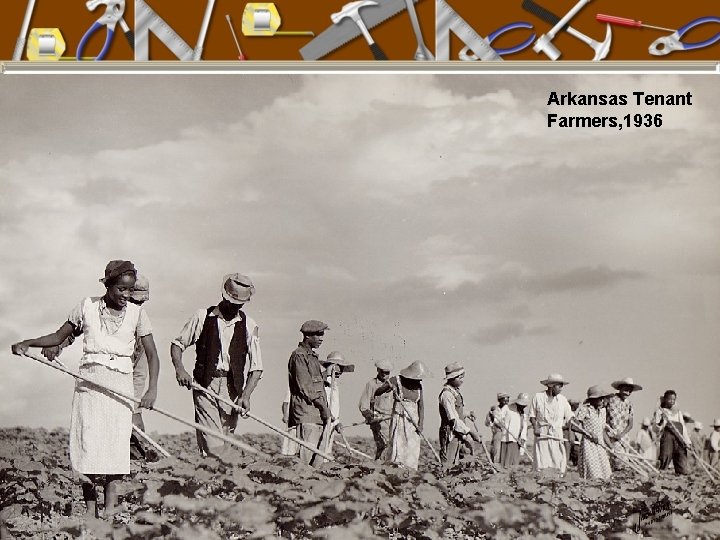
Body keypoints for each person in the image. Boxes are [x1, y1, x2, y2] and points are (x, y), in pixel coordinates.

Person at [11, 260, 160, 518]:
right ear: (108, 285)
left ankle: (110, 509)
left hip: (120, 385)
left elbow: (153, 355)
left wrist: (151, 391)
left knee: (115, 447)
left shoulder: (137, 314)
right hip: (90, 384)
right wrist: (28, 342)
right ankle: (90, 510)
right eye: (121, 289)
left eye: (130, 290)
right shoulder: (87, 306)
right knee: (87, 444)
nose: (126, 295)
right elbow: (59, 336)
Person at [171, 273, 262, 458]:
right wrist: (180, 369)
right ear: (224, 296)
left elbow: (256, 367)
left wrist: (246, 395)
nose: (235, 307)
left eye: (240, 304)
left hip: (232, 388)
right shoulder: (202, 316)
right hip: (205, 384)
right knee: (213, 442)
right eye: (232, 302)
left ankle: (216, 484)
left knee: (226, 442)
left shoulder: (249, 325)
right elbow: (177, 345)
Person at [288, 320, 331, 466]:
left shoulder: (312, 357)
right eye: (318, 335)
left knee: (317, 462)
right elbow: (306, 387)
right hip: (307, 413)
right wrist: (323, 408)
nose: (321, 338)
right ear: (307, 336)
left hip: (316, 414)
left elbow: (315, 382)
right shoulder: (299, 356)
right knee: (305, 461)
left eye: (322, 335)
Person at [375, 360, 427, 470]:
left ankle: (410, 471)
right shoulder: (396, 380)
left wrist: (421, 423)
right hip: (399, 419)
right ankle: (395, 470)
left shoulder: (419, 386)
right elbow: (378, 392)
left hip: (413, 422)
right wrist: (389, 387)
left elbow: (421, 405)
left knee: (411, 449)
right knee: (397, 446)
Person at [127, 274, 156, 461]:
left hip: (131, 379)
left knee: (136, 423)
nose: (136, 306)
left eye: (140, 303)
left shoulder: (141, 322)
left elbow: (140, 368)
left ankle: (139, 462)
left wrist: (136, 405)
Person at [529, 373, 574, 475]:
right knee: (542, 461)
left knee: (557, 461)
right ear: (551, 385)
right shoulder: (538, 397)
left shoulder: (562, 400)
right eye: (559, 386)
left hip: (556, 433)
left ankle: (557, 483)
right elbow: (532, 415)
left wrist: (570, 432)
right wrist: (535, 428)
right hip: (542, 434)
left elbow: (570, 417)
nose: (561, 389)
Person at [438, 362, 481, 467]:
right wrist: (470, 431)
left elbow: (458, 412)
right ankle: (444, 482)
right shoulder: (447, 394)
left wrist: (467, 414)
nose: (462, 380)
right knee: (449, 461)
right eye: (459, 377)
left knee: (458, 459)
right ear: (452, 378)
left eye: (462, 377)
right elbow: (453, 418)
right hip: (450, 432)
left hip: (458, 431)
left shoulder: (455, 392)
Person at [571, 386, 614, 480]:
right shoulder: (585, 409)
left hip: (600, 445)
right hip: (589, 445)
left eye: (603, 398)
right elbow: (574, 425)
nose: (602, 401)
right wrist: (588, 433)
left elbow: (602, 430)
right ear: (593, 399)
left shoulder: (602, 411)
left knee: (606, 473)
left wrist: (610, 446)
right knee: (593, 474)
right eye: (600, 398)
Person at [320, 351, 355, 456]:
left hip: (331, 423)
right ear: (333, 366)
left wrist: (337, 422)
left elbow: (334, 407)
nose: (342, 371)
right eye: (340, 367)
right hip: (321, 422)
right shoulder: (322, 380)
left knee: (326, 452)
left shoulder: (334, 382)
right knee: (319, 453)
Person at [358, 359, 394, 459]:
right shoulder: (371, 384)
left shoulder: (393, 385)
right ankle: (380, 468)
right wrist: (370, 416)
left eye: (387, 372)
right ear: (378, 370)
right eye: (382, 372)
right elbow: (363, 405)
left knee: (392, 446)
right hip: (378, 420)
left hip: (392, 420)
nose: (384, 375)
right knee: (384, 445)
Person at [605, 377, 642, 470]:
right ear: (620, 388)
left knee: (623, 461)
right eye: (625, 390)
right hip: (610, 435)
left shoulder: (629, 404)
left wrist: (621, 434)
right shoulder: (610, 399)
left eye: (630, 391)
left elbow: (630, 424)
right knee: (614, 460)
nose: (627, 393)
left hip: (623, 437)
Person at [652, 390, 691, 475]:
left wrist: (688, 441)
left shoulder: (678, 413)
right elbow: (655, 429)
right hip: (667, 438)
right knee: (665, 456)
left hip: (679, 438)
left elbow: (683, 427)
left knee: (681, 458)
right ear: (665, 399)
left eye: (674, 399)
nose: (672, 401)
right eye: (670, 399)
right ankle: (661, 475)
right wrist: (661, 421)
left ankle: (682, 475)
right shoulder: (660, 411)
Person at [499, 393, 529, 467]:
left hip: (517, 440)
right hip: (507, 438)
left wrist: (523, 438)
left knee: (514, 461)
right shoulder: (507, 408)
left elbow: (524, 427)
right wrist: (503, 425)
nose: (523, 406)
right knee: (506, 460)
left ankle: (512, 473)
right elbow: (498, 418)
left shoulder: (523, 415)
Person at [485, 392, 510, 463]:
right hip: (497, 433)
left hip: (508, 433)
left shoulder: (510, 410)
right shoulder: (494, 410)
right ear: (499, 400)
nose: (506, 402)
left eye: (507, 400)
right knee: (496, 450)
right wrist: (492, 418)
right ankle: (495, 465)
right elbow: (487, 423)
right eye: (504, 400)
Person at [280, 390, 299, 456]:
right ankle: (288, 454)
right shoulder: (291, 390)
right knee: (290, 435)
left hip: (299, 417)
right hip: (291, 417)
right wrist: (285, 415)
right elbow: (285, 403)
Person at [564, 399, 581, 467]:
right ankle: (565, 464)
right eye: (576, 404)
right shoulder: (569, 414)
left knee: (575, 448)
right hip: (567, 432)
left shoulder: (572, 413)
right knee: (567, 449)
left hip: (571, 432)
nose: (577, 406)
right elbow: (569, 425)